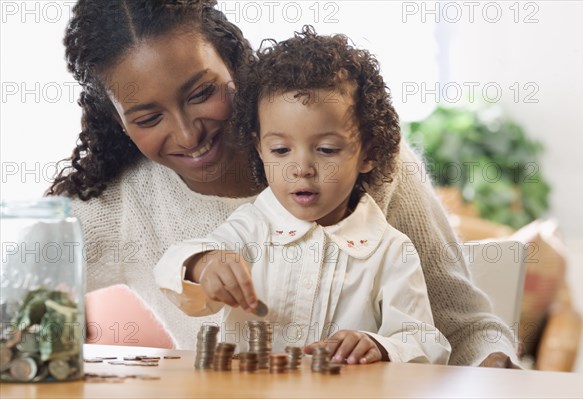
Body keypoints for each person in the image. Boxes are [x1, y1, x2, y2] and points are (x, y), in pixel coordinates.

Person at [47, 0, 519, 368]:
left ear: (235, 63)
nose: (189, 134)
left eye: (202, 93)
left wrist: (493, 368)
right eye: (148, 117)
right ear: (118, 121)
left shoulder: (366, 165)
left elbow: (463, 330)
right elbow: (19, 301)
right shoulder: (120, 205)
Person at [153, 26, 452, 365]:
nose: (302, 168)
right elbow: (171, 265)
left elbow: (426, 344)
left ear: (368, 153)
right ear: (259, 149)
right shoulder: (252, 228)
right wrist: (201, 264)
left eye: (326, 149)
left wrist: (380, 345)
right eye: (280, 150)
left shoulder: (390, 251)